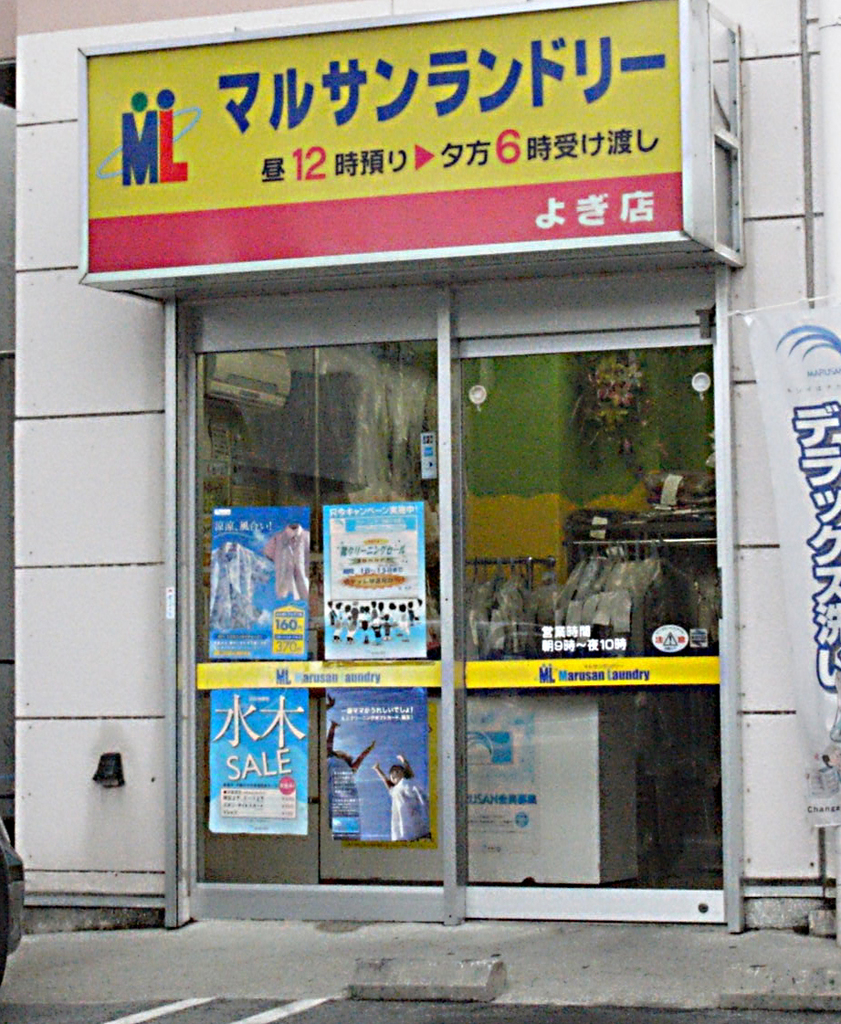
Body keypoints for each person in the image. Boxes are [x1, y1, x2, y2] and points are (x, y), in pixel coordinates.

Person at [373, 754, 430, 841]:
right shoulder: (394, 789)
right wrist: (377, 769)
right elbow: (385, 780)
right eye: (392, 775)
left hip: (415, 808)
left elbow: (409, 770)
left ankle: (422, 834)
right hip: (403, 815)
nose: (394, 773)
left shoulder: (408, 781)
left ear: (403, 773)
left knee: (418, 823)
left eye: (397, 771)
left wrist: (403, 760)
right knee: (403, 827)